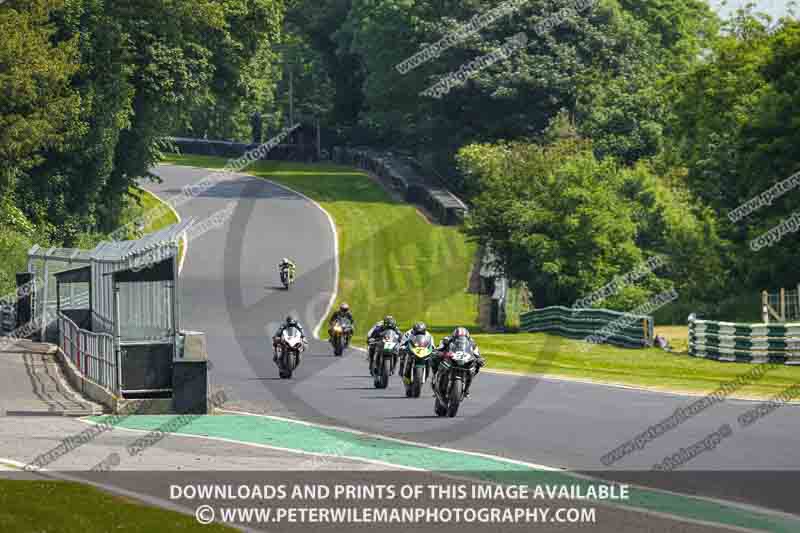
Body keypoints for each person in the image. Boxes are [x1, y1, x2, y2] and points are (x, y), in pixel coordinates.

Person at [433, 327, 485, 397]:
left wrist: (480, 359)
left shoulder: (472, 343)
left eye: (464, 337)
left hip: (464, 359)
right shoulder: (446, 340)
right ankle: (436, 379)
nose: (461, 338)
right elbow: (438, 348)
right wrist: (439, 353)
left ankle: (467, 388)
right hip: (450, 358)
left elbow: (477, 354)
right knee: (434, 359)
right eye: (458, 337)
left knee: (476, 365)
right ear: (454, 336)